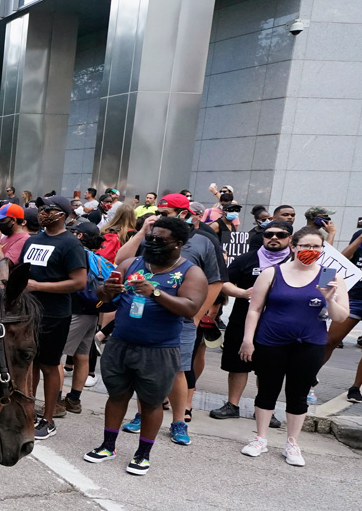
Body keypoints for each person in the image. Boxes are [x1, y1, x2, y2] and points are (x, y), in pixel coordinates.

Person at [83, 217, 206, 475]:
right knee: (117, 396)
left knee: (150, 403)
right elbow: (101, 296)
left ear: (178, 244)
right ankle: (108, 446)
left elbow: (190, 308)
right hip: (121, 344)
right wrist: (107, 289)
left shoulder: (190, 272)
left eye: (160, 240)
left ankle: (142, 454)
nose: (153, 243)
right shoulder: (131, 264)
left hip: (159, 350)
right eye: (151, 238)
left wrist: (156, 293)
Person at [115, 193, 222, 444]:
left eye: (167, 213)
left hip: (180, 318)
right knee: (143, 370)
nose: (161, 218)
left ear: (184, 214)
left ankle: (179, 422)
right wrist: (142, 232)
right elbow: (120, 261)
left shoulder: (205, 242)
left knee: (177, 370)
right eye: (159, 212)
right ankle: (142, 415)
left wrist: (196, 315)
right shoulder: (151, 237)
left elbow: (216, 282)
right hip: (142, 317)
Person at [239, 226, 348, 466]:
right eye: (305, 246)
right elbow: (255, 309)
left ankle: (292, 443)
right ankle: (261, 438)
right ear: (294, 246)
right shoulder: (272, 273)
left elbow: (340, 317)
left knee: (298, 394)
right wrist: (248, 340)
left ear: (323, 249)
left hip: (310, 343)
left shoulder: (330, 275)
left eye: (316, 247)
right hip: (271, 341)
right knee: (267, 389)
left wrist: (329, 299)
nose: (310, 250)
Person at [18, 195, 88, 440]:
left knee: (49, 365)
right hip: (27, 311)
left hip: (54, 314)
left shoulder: (71, 244)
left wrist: (40, 287)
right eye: (41, 209)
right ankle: (29, 412)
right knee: (30, 365)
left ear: (64, 214)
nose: (43, 213)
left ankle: (48, 419)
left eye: (50, 209)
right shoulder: (33, 240)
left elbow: (79, 282)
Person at [210, 220, 293, 423]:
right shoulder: (248, 259)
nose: (274, 238)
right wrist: (241, 292)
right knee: (238, 365)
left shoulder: (295, 263)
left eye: (280, 235)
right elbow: (224, 281)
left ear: (290, 239)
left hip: (278, 324)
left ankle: (264, 408)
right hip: (242, 319)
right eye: (269, 234)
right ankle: (232, 405)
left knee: (270, 368)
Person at [57, 221, 110, 416]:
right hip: (91, 311)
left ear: (80, 236)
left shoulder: (76, 253)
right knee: (81, 355)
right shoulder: (95, 257)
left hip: (75, 311)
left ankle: (54, 402)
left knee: (55, 357)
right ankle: (74, 401)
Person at [322, 223, 362, 403]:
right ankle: (308, 378)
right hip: (355, 297)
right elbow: (343, 259)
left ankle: (355, 388)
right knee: (331, 340)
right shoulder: (359, 235)